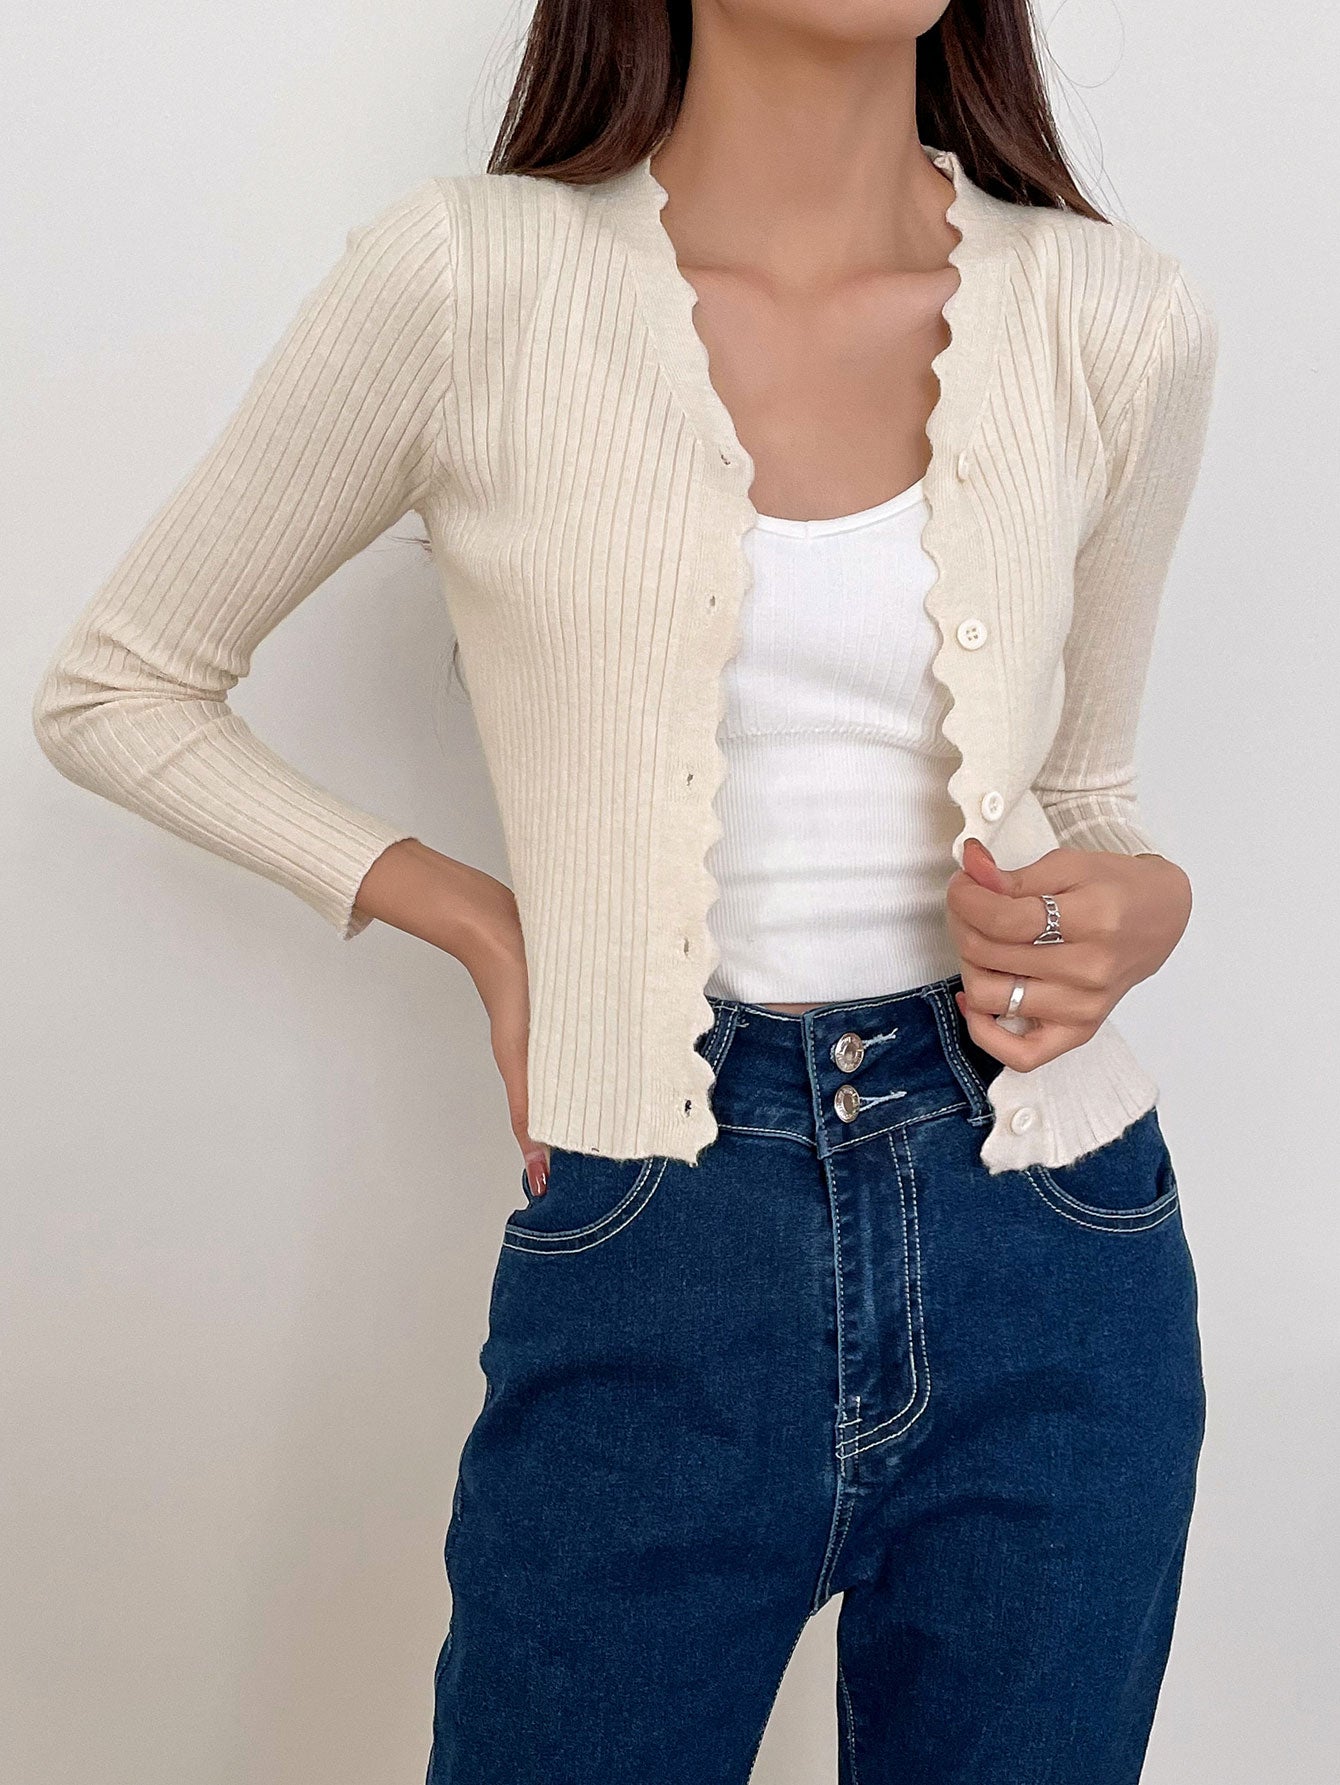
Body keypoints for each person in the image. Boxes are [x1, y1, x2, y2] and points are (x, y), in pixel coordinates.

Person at [31, 3, 1220, 1780]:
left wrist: (1147, 909)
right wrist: (477, 919)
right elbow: (119, 685)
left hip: (1057, 1239)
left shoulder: (1114, 311)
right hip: (658, 1232)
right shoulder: (471, 280)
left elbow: (1096, 798)